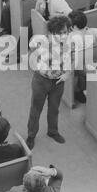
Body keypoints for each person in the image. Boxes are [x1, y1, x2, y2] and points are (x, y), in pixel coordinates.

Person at [26, 16, 72, 149]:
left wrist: (67, 74)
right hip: (41, 81)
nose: (64, 35)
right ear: (52, 32)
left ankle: (53, 131)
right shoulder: (43, 42)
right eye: (60, 32)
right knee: (36, 109)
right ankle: (31, 136)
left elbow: (72, 59)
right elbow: (31, 50)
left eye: (66, 32)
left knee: (54, 108)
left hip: (58, 82)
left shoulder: (69, 43)